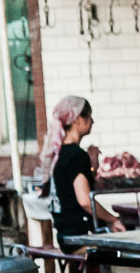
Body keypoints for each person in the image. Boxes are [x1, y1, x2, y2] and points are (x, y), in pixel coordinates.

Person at [45, 95, 124, 249]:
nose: (92, 121)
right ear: (77, 120)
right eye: (89, 116)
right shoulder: (77, 155)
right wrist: (112, 219)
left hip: (65, 235)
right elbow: (85, 201)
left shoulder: (59, 154)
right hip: (80, 237)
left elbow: (70, 191)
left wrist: (92, 166)